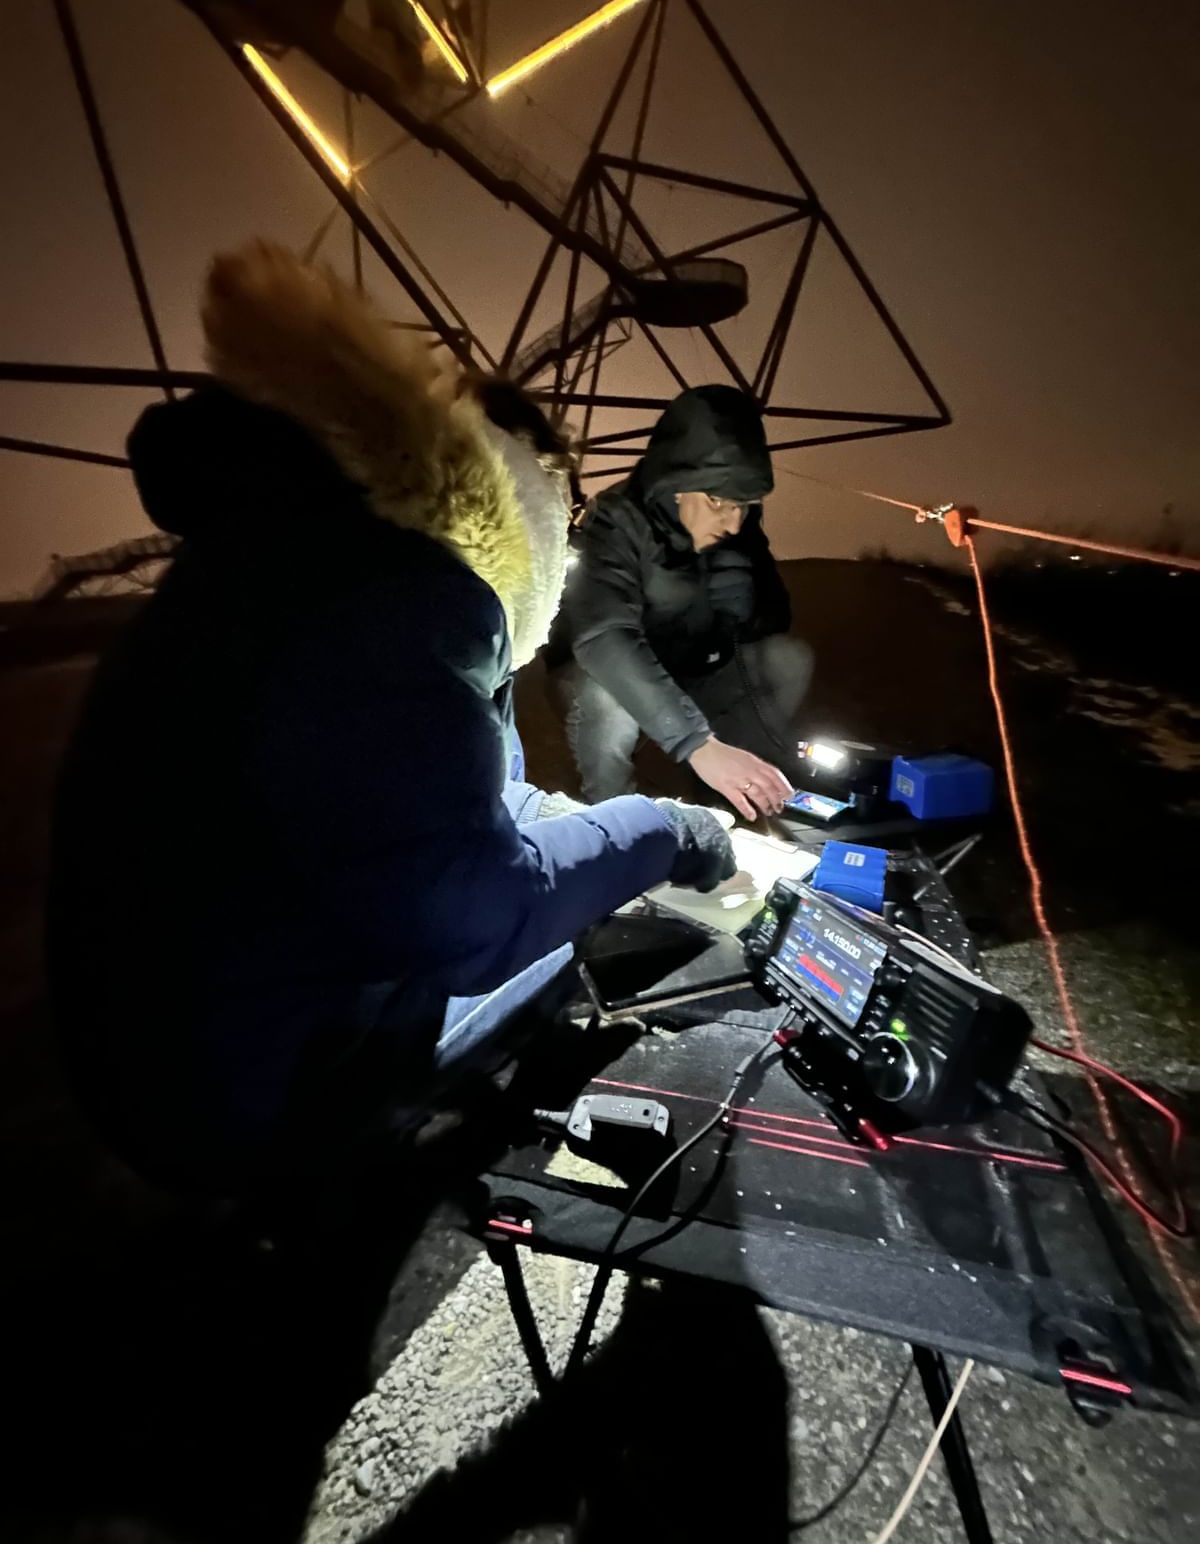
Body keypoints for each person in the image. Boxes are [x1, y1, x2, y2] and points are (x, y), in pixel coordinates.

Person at [47, 242, 734, 1202]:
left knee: (562, 896)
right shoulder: (394, 607)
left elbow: (435, 813)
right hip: (242, 1101)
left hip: (159, 1059)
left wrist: (571, 825)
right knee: (553, 947)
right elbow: (475, 916)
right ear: (522, 503)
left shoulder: (306, 568)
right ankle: (410, 1188)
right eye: (566, 515)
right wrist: (667, 832)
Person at [550, 386, 813, 820]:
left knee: (787, 660)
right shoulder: (614, 520)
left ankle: (733, 799)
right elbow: (603, 637)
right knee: (605, 703)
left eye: (744, 505)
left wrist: (752, 605)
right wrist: (695, 742)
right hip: (608, 673)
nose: (732, 522)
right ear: (673, 486)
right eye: (717, 501)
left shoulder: (739, 527)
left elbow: (776, 618)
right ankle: (611, 817)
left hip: (692, 666)